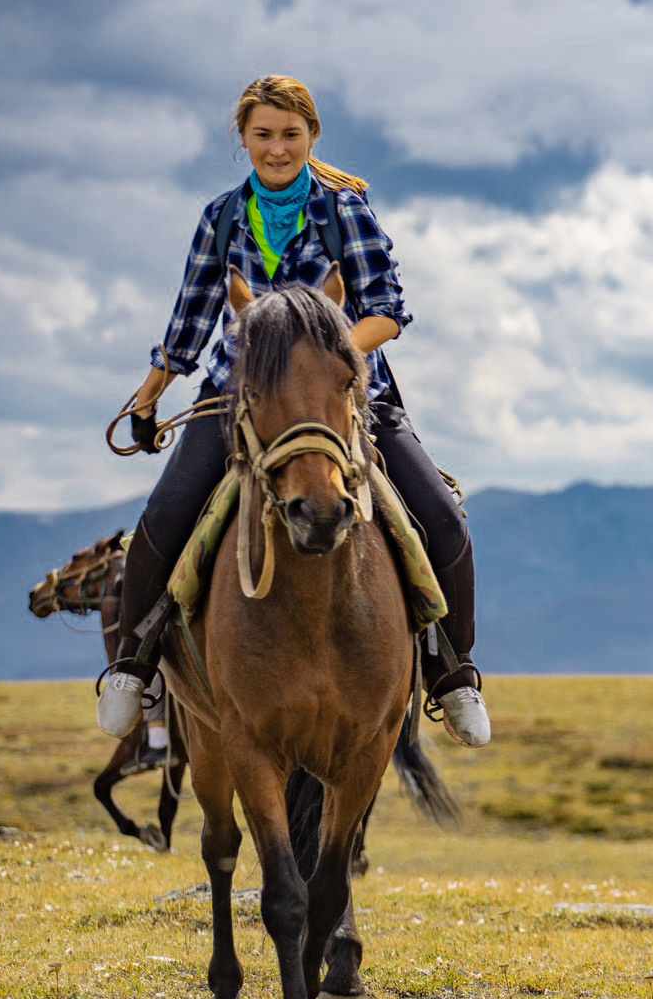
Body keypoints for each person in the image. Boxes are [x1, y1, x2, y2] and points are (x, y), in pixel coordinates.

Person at [96, 75, 489, 747]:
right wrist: (149, 395)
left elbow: (386, 310)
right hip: (237, 397)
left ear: (311, 136)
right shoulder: (221, 218)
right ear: (244, 140)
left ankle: (454, 675)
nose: (276, 148)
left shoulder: (345, 211)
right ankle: (133, 667)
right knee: (163, 517)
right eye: (263, 135)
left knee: (443, 519)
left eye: (290, 134)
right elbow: (190, 321)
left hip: (346, 398)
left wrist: (318, 362)